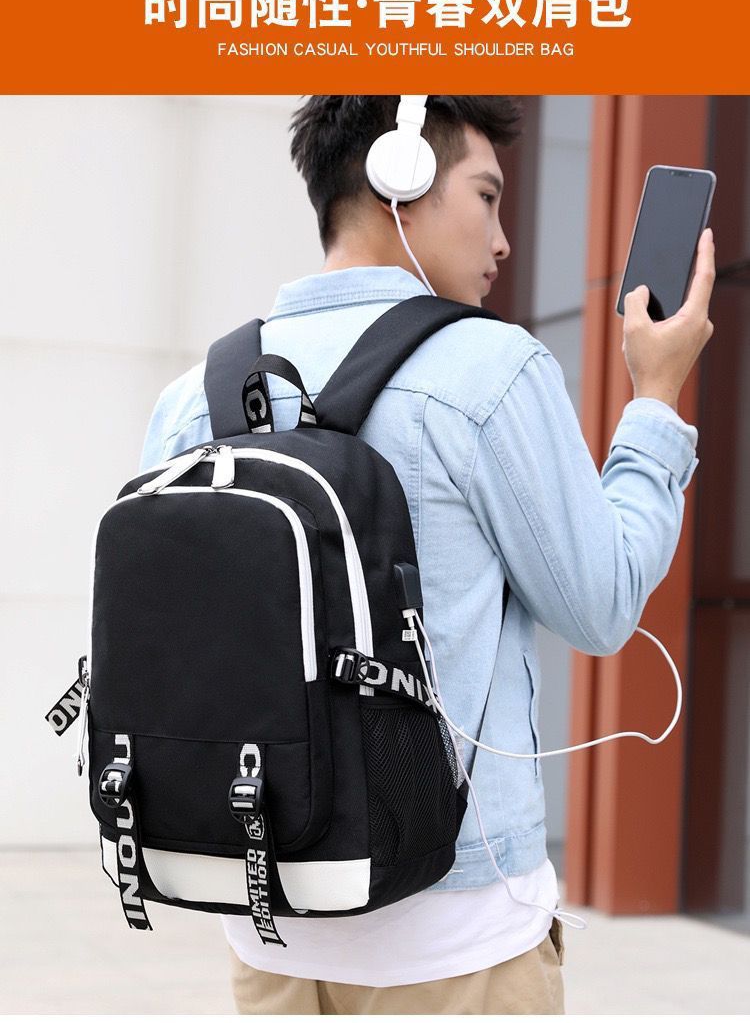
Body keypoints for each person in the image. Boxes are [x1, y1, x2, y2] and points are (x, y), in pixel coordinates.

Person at [139, 95, 715, 1014]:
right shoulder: (489, 370)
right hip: (457, 936)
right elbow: (602, 605)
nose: (503, 241)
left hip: (262, 914)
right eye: (486, 196)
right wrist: (655, 398)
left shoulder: (193, 399)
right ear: (398, 180)